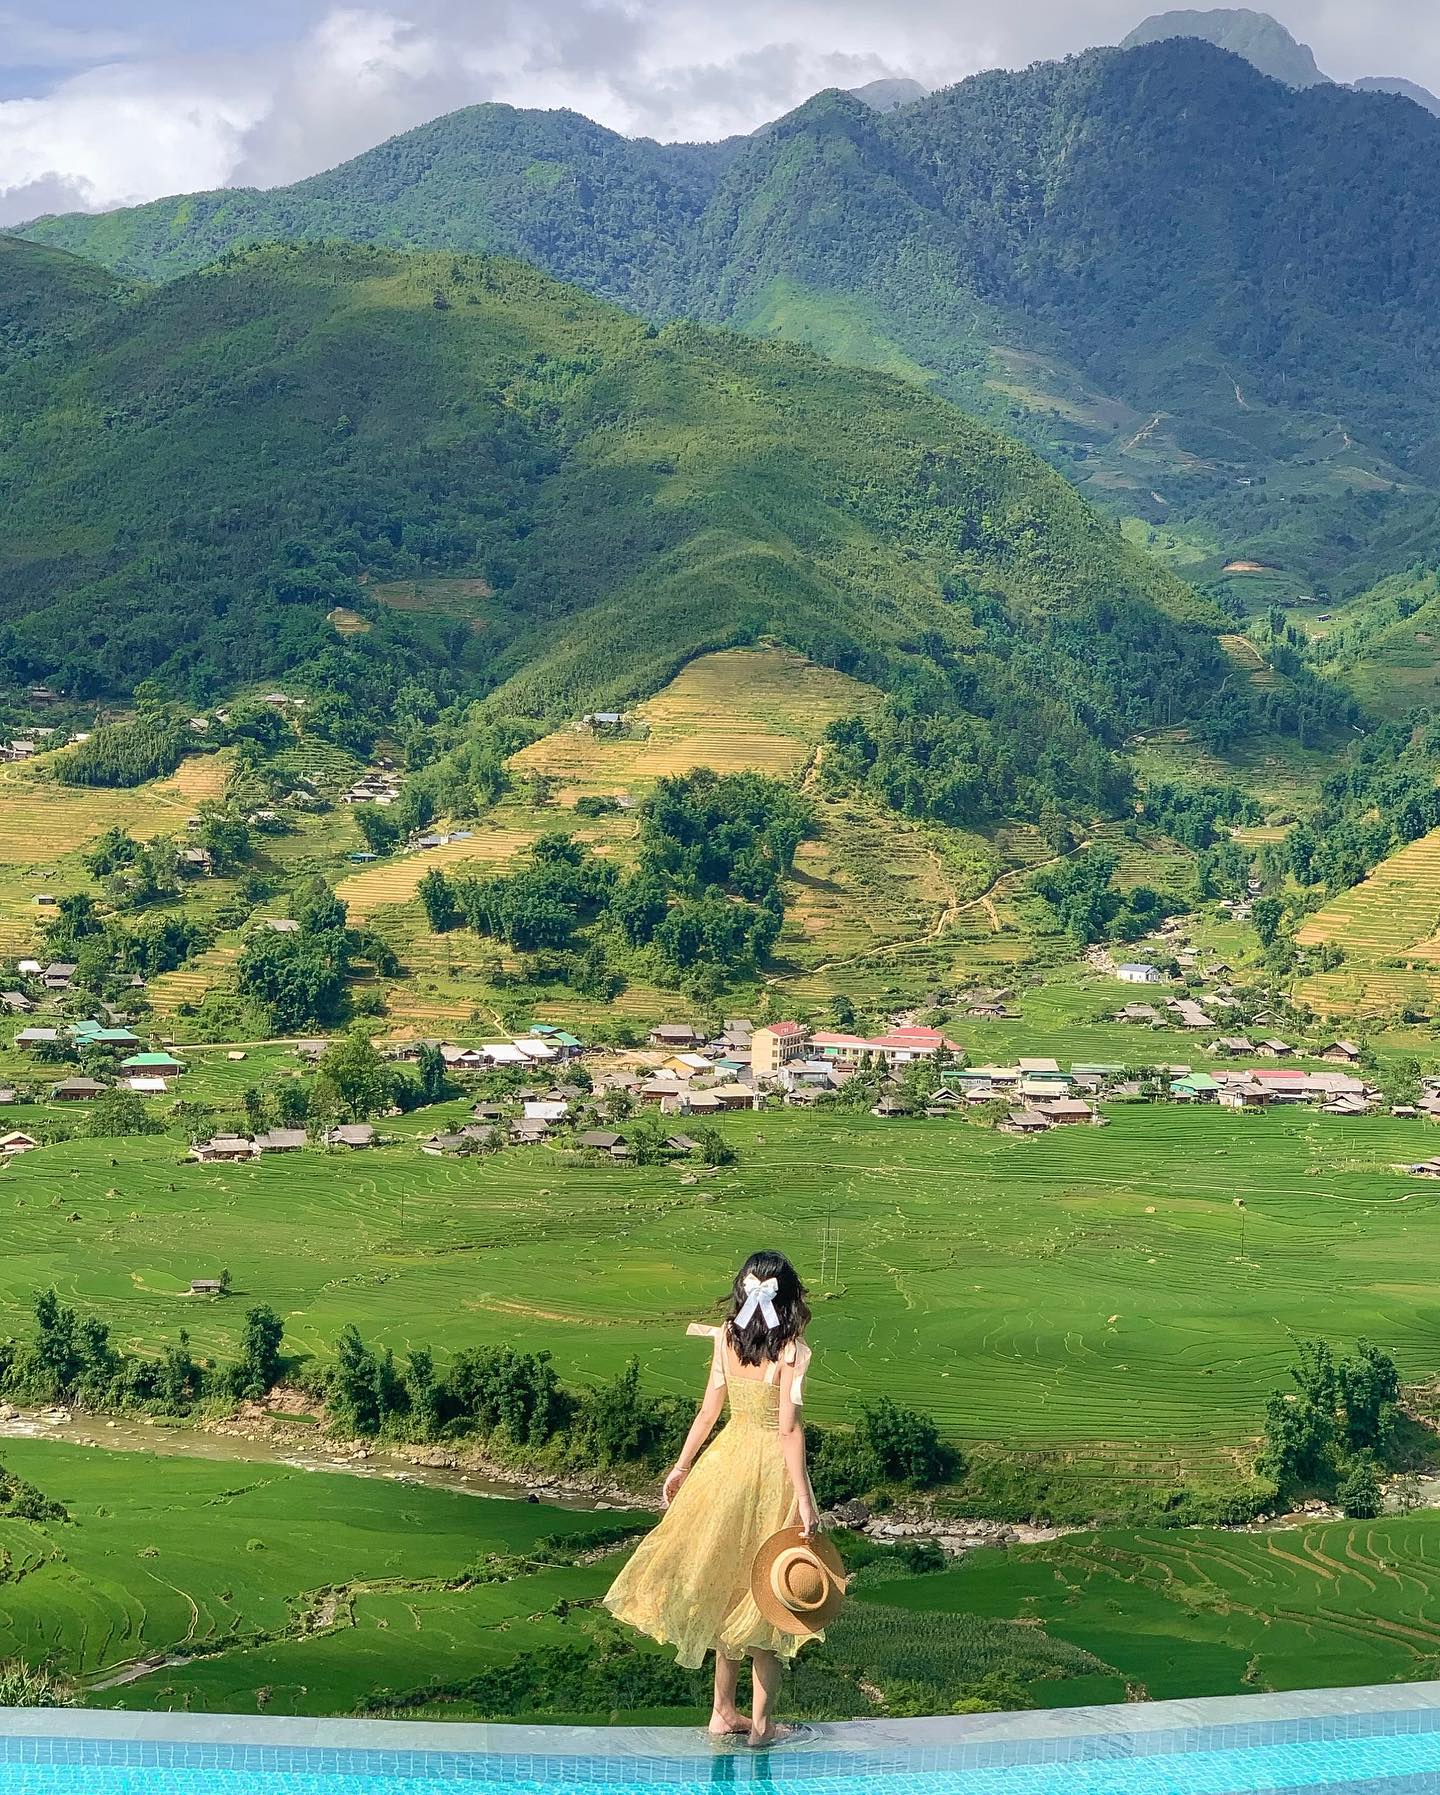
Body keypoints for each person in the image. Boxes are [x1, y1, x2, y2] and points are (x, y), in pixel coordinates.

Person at [603, 1249, 821, 1747]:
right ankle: (761, 1729)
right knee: (771, 1601)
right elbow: (789, 1433)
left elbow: (707, 1411)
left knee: (728, 1585)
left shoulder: (726, 1339)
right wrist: (806, 1501)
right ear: (789, 1299)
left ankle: (723, 1712)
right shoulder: (792, 1351)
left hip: (724, 1466)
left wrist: (681, 1466)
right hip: (768, 1474)